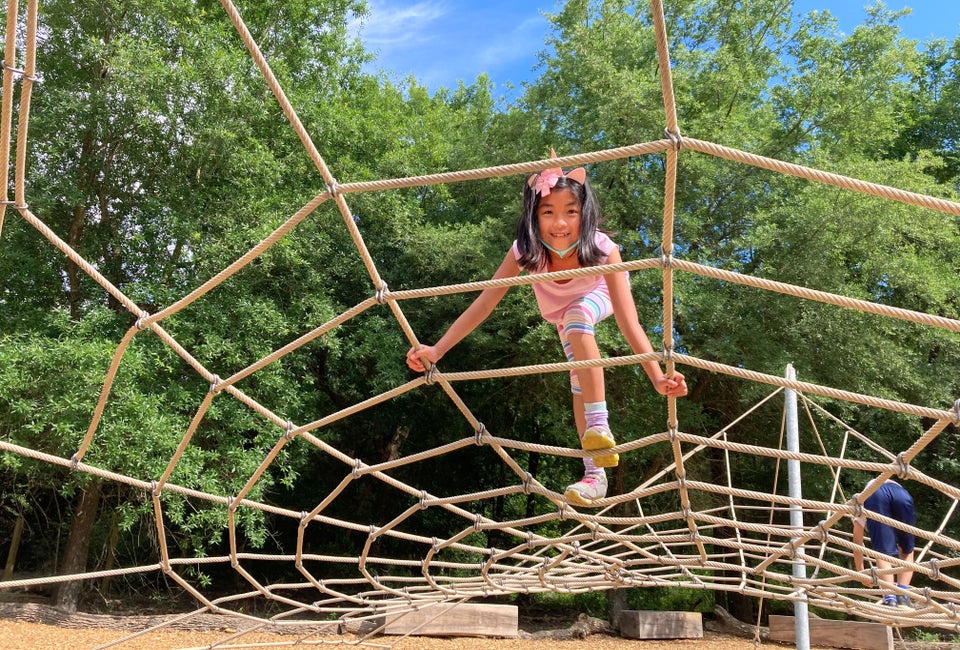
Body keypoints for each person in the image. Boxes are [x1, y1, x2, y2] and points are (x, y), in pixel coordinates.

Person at [405, 151, 688, 506]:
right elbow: (486, 302)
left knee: (578, 318)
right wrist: (438, 350)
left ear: (584, 214)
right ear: (533, 216)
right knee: (577, 378)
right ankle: (594, 474)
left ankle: (600, 427)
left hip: (597, 296)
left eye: (571, 211)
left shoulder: (602, 249)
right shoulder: (526, 249)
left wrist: (656, 376)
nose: (560, 222)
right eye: (548, 212)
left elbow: (628, 321)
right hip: (562, 316)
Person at [852, 478, 916, 607]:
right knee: (907, 548)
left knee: (882, 551)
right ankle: (903, 595)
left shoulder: (862, 506)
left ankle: (890, 598)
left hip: (875, 494)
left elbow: (857, 540)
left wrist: (860, 570)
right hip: (901, 493)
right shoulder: (864, 503)